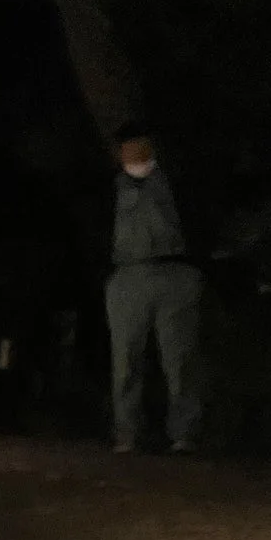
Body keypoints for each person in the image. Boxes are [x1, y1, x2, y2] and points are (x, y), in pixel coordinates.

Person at [105, 124, 203, 453]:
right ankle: (127, 434)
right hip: (127, 274)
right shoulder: (110, 186)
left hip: (175, 271)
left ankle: (184, 435)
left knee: (179, 359)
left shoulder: (176, 182)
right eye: (126, 149)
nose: (131, 154)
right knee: (125, 361)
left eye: (138, 147)